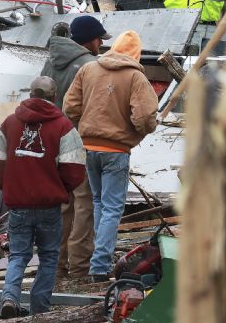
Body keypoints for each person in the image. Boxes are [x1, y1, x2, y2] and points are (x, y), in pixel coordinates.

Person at [63, 30, 158, 282]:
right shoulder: (136, 77)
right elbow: (146, 117)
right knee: (112, 208)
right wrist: (139, 132)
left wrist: (83, 130)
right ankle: (100, 266)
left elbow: (70, 107)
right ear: (136, 54)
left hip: (88, 149)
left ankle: (98, 258)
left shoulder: (88, 69)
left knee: (98, 204)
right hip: (115, 152)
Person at [0, 76, 86, 317]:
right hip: (48, 206)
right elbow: (75, 170)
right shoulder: (64, 127)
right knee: (49, 257)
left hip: (19, 206)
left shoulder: (9, 124)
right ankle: (40, 309)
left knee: (19, 256)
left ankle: (10, 297)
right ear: (55, 97)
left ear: (30, 94)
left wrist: (8, 186)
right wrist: (59, 189)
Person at [41, 15, 111, 278]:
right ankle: (80, 264)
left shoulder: (50, 61)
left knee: (63, 203)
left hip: (52, 142)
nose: (100, 45)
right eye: (98, 40)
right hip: (79, 143)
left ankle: (57, 264)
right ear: (88, 41)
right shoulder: (90, 65)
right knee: (85, 202)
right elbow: (94, 109)